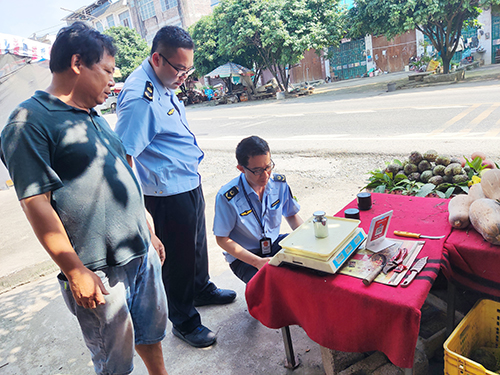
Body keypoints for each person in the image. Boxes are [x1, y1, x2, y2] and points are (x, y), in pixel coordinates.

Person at [0, 22, 169, 375]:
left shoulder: (93, 117)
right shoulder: (28, 123)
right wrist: (75, 270)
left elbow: (124, 176)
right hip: (99, 269)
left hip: (140, 252)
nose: (112, 80)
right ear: (78, 63)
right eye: (107, 70)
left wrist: (149, 232)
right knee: (114, 360)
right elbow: (36, 202)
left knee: (151, 333)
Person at [114, 26, 236, 348]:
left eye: (188, 68)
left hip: (186, 182)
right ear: (157, 58)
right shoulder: (141, 97)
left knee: (196, 246)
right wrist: (141, 214)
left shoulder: (164, 80)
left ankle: (200, 289)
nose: (184, 75)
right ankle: (183, 320)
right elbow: (123, 156)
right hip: (165, 194)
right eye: (179, 68)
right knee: (178, 259)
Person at [213, 136, 304, 283]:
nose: (266, 175)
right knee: (269, 285)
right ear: (241, 169)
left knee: (311, 265)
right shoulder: (228, 196)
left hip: (273, 244)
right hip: (245, 256)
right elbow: (222, 239)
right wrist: (256, 262)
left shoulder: (278, 183)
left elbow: (292, 215)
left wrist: (308, 240)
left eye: (268, 167)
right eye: (257, 170)